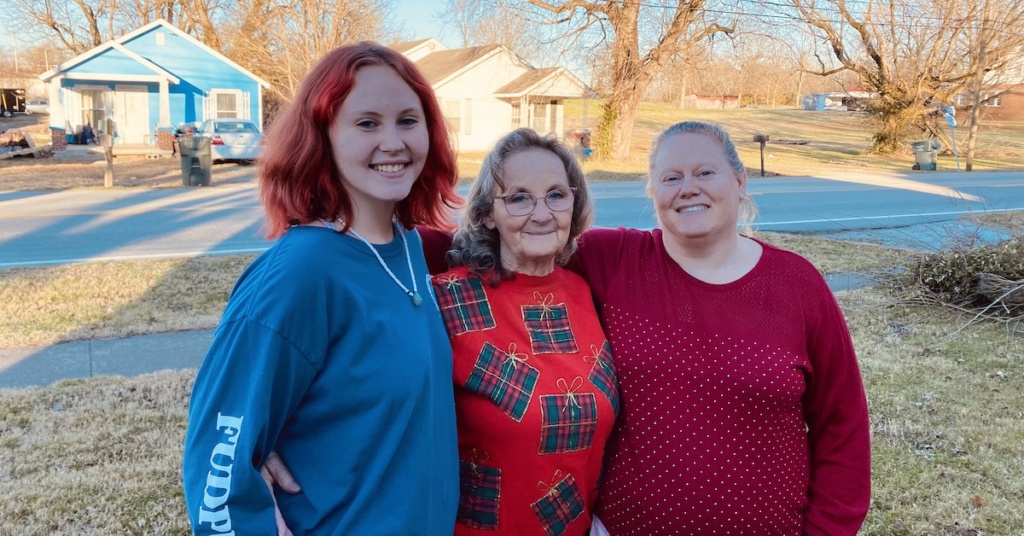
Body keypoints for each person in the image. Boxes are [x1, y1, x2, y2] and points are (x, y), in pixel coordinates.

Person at [181, 42, 462, 535]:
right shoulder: (301, 272)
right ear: (322, 134)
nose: (393, 142)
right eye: (367, 123)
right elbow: (216, 461)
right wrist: (251, 450)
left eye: (408, 120)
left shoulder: (409, 246)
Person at [570, 121, 871, 535]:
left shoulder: (798, 284)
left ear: (740, 180)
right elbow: (515, 242)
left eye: (705, 172)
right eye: (670, 177)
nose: (688, 188)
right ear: (653, 193)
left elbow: (843, 424)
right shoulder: (613, 259)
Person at [432, 128, 617, 534]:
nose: (541, 213)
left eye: (556, 194)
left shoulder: (585, 292)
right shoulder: (446, 301)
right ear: (486, 213)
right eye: (518, 198)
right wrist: (260, 432)